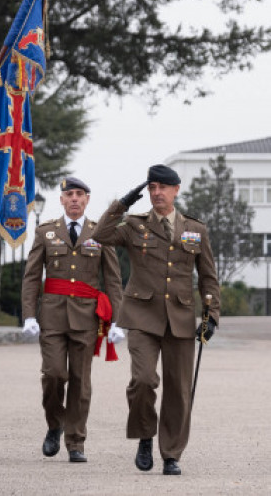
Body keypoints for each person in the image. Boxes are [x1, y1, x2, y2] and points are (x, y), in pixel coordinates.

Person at [92, 164, 221, 476]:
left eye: (162, 187)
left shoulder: (195, 229)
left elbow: (208, 277)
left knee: (179, 390)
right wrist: (123, 203)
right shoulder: (135, 225)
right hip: (141, 317)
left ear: (176, 190)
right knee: (144, 380)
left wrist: (211, 315)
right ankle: (145, 435)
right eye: (151, 188)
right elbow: (100, 234)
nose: (156, 193)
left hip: (179, 318)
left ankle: (172, 454)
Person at [20, 176, 122, 463]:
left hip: (86, 319)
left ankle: (76, 441)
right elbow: (31, 277)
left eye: (80, 194)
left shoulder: (101, 232)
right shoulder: (46, 232)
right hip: (52, 317)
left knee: (80, 380)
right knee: (54, 375)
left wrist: (116, 319)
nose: (75, 199)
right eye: (70, 194)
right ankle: (55, 424)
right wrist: (29, 315)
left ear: (87, 199)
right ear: (62, 200)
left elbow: (113, 280)